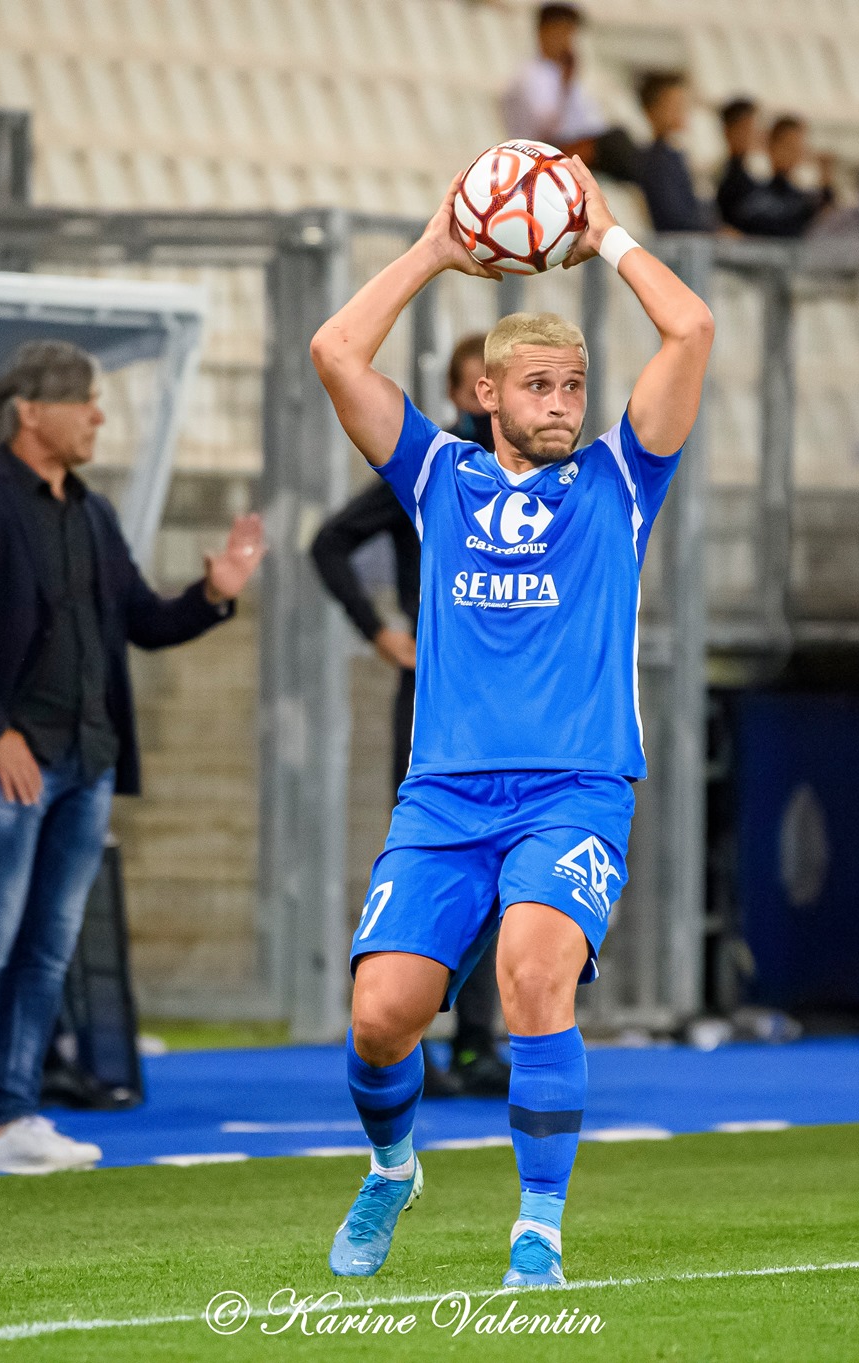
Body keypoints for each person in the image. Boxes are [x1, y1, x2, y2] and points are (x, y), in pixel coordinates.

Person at [309, 158, 713, 1286]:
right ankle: (392, 1171)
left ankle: (536, 1226)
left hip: (573, 787)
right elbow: (335, 353)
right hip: (443, 794)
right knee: (381, 1016)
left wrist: (609, 237)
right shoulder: (435, 480)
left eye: (571, 388)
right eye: (536, 387)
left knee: (531, 976)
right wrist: (437, 246)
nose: (560, 407)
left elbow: (688, 332)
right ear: (487, 395)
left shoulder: (618, 483)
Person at [0, 339, 266, 1176]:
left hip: (88, 760)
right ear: (29, 410)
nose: (99, 416)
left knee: (49, 947)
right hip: (12, 760)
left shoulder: (93, 514)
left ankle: (18, 1114)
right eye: (84, 401)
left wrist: (214, 593)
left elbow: (140, 620)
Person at [309, 333, 512, 1101]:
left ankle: (478, 1040)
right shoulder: (435, 471)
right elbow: (329, 542)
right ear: (466, 393)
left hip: (515, 706)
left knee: (510, 872)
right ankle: (413, 1030)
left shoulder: (541, 478)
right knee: (439, 856)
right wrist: (380, 629)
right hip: (438, 700)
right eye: (474, 383)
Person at [501, 4, 607, 158]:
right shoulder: (527, 76)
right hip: (540, 152)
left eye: (570, 34)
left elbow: (593, 123)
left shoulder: (565, 76)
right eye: (562, 32)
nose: (567, 41)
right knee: (614, 144)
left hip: (574, 146)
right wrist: (564, 85)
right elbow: (545, 129)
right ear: (543, 32)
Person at [733, 115, 835, 239]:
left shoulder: (804, 201)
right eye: (787, 145)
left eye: (797, 147)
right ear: (772, 145)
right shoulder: (749, 191)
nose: (792, 152)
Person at [632, 72, 711, 234]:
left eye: (682, 104)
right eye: (673, 105)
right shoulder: (655, 160)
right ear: (651, 110)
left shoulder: (675, 154)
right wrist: (713, 230)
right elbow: (673, 217)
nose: (680, 111)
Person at [714, 98, 759, 234]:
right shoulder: (720, 175)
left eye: (751, 128)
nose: (749, 135)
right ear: (728, 131)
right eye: (743, 129)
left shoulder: (753, 174)